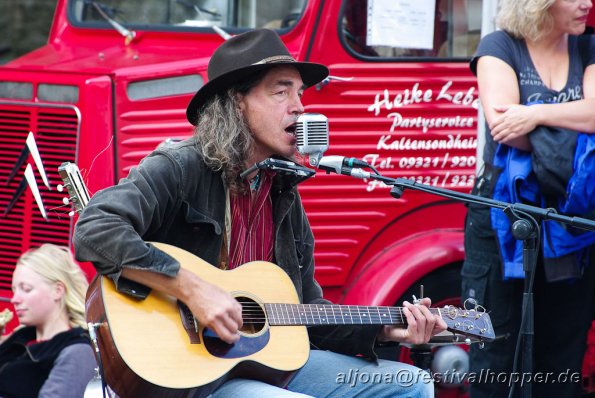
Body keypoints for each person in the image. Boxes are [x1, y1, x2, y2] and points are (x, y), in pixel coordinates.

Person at [73, 28, 447, 397]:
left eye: (299, 93)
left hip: (258, 365)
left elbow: (306, 309)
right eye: (280, 91)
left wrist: (382, 329)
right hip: (185, 374)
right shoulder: (180, 166)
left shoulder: (281, 191)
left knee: (411, 383)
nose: (299, 106)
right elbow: (95, 228)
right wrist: (192, 289)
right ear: (236, 103)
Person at [462, 0, 595, 397]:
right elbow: (505, 128)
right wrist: (579, 123)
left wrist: (535, 115)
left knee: (563, 353)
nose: (587, 3)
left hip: (571, 215)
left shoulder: (588, 46)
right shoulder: (499, 47)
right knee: (494, 348)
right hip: (504, 213)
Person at [0, 244, 97, 398]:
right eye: (14, 290)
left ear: (57, 291)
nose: (14, 299)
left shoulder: (77, 351)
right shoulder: (22, 337)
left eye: (26, 289)